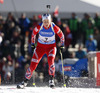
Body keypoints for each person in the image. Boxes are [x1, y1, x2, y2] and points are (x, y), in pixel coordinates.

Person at [17, 13, 65, 88]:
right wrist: (33, 44)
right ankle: (25, 82)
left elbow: (61, 35)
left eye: (47, 21)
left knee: (51, 62)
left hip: (51, 47)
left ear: (50, 20)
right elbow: (33, 34)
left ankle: (51, 80)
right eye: (44, 21)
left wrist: (62, 45)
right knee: (33, 64)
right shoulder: (39, 26)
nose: (46, 23)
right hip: (40, 47)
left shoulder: (53, 27)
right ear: (42, 21)